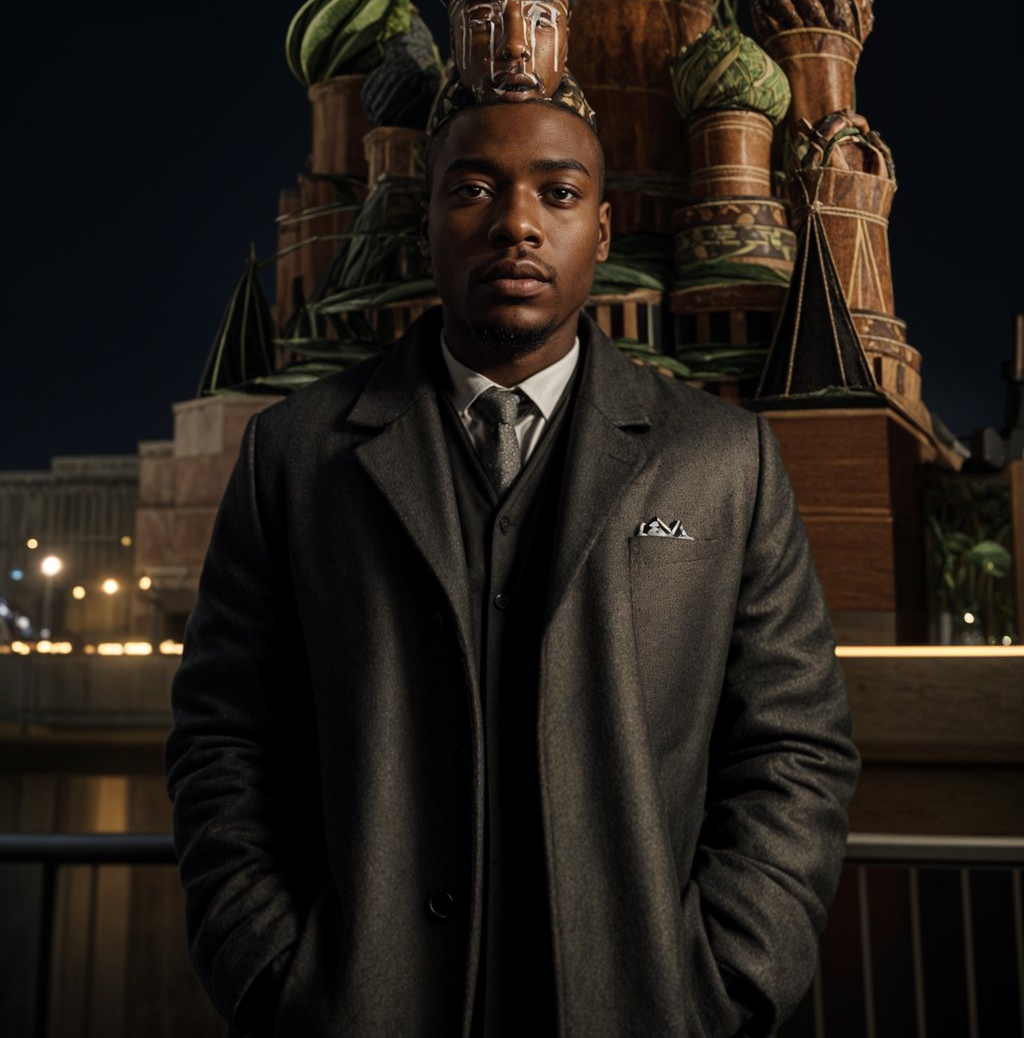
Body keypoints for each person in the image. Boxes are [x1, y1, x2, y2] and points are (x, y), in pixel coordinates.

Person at [167, 89, 859, 1038]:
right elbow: (222, 737)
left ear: (603, 229)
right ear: (424, 225)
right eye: (475, 190)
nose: (518, 224)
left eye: (559, 193)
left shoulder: (720, 460)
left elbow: (795, 746)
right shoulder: (295, 455)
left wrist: (725, 981)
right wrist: (275, 976)